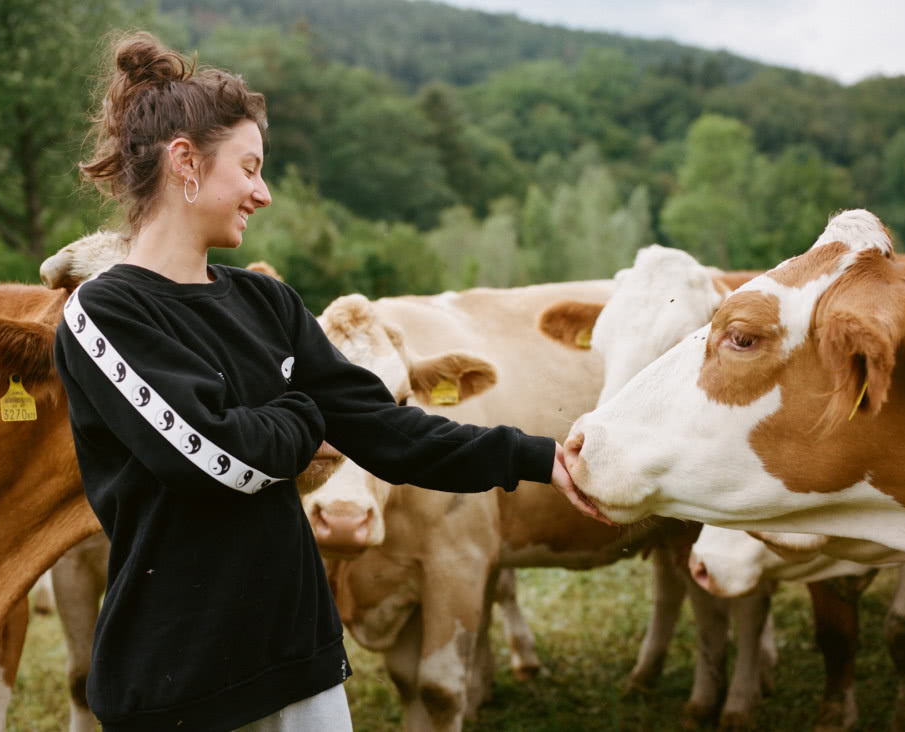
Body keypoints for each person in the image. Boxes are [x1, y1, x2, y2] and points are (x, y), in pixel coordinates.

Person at [54, 31, 586, 732]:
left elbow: (387, 429)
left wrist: (540, 456)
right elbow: (222, 461)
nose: (262, 193)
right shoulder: (106, 311)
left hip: (300, 660)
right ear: (185, 163)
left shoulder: (267, 304)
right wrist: (308, 413)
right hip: (177, 681)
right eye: (249, 168)